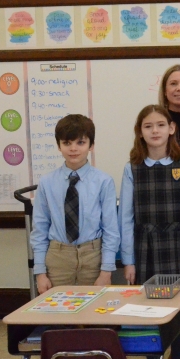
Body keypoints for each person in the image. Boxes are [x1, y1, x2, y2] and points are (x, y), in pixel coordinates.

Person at [119, 105, 180, 359]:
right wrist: (128, 260)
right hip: (145, 249)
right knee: (149, 316)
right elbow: (125, 217)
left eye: (160, 125)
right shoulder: (132, 167)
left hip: (177, 248)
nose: (154, 131)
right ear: (140, 131)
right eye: (147, 126)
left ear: (171, 129)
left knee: (177, 316)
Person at [31, 114, 119, 295]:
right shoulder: (47, 183)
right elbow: (39, 229)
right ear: (59, 146)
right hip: (58, 258)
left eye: (80, 143)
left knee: (94, 315)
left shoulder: (104, 181)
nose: (73, 149)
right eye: (66, 143)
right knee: (58, 316)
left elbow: (110, 229)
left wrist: (106, 271)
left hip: (93, 256)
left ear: (91, 145)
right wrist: (40, 272)